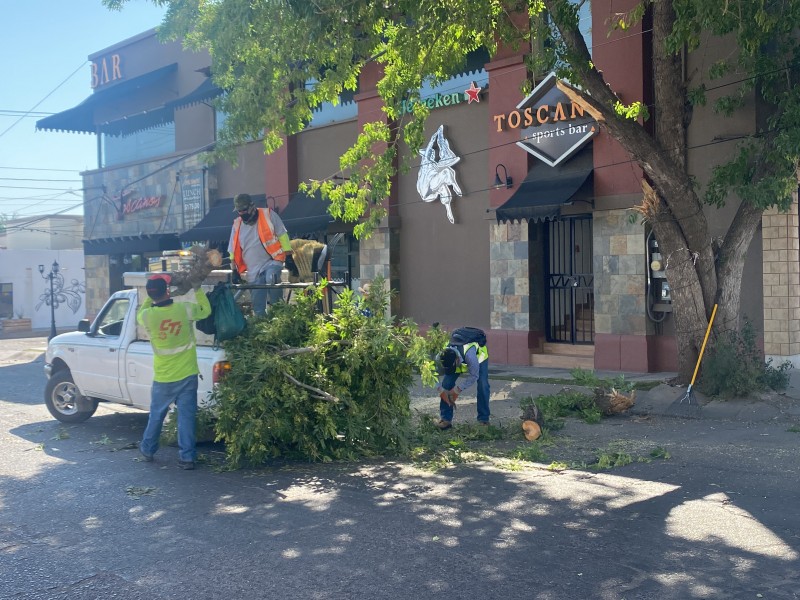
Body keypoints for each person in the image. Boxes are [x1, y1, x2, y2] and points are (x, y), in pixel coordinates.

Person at [137, 274, 211, 470]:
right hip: (187, 374)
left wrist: (152, 296)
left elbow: (146, 306)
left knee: (157, 415)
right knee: (186, 417)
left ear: (151, 295)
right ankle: (187, 457)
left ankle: (148, 450)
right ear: (167, 291)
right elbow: (205, 310)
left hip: (163, 377)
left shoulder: (146, 316)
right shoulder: (183, 309)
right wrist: (197, 289)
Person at [228, 193, 294, 316]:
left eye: (244, 210)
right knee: (258, 307)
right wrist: (234, 271)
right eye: (239, 211)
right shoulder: (237, 225)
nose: (242, 214)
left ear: (252, 206)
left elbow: (282, 235)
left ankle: (278, 313)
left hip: (273, 260)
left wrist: (289, 256)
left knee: (271, 279)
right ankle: (261, 326)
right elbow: (232, 250)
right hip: (253, 270)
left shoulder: (268, 215)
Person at [436, 331, 490, 429]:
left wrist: (457, 390)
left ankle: (483, 419)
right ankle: (446, 419)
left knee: (483, 385)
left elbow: (474, 376)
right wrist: (441, 390)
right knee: (446, 384)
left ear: (457, 360)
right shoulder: (441, 355)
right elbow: (432, 373)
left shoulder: (470, 355)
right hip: (459, 360)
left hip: (479, 359)